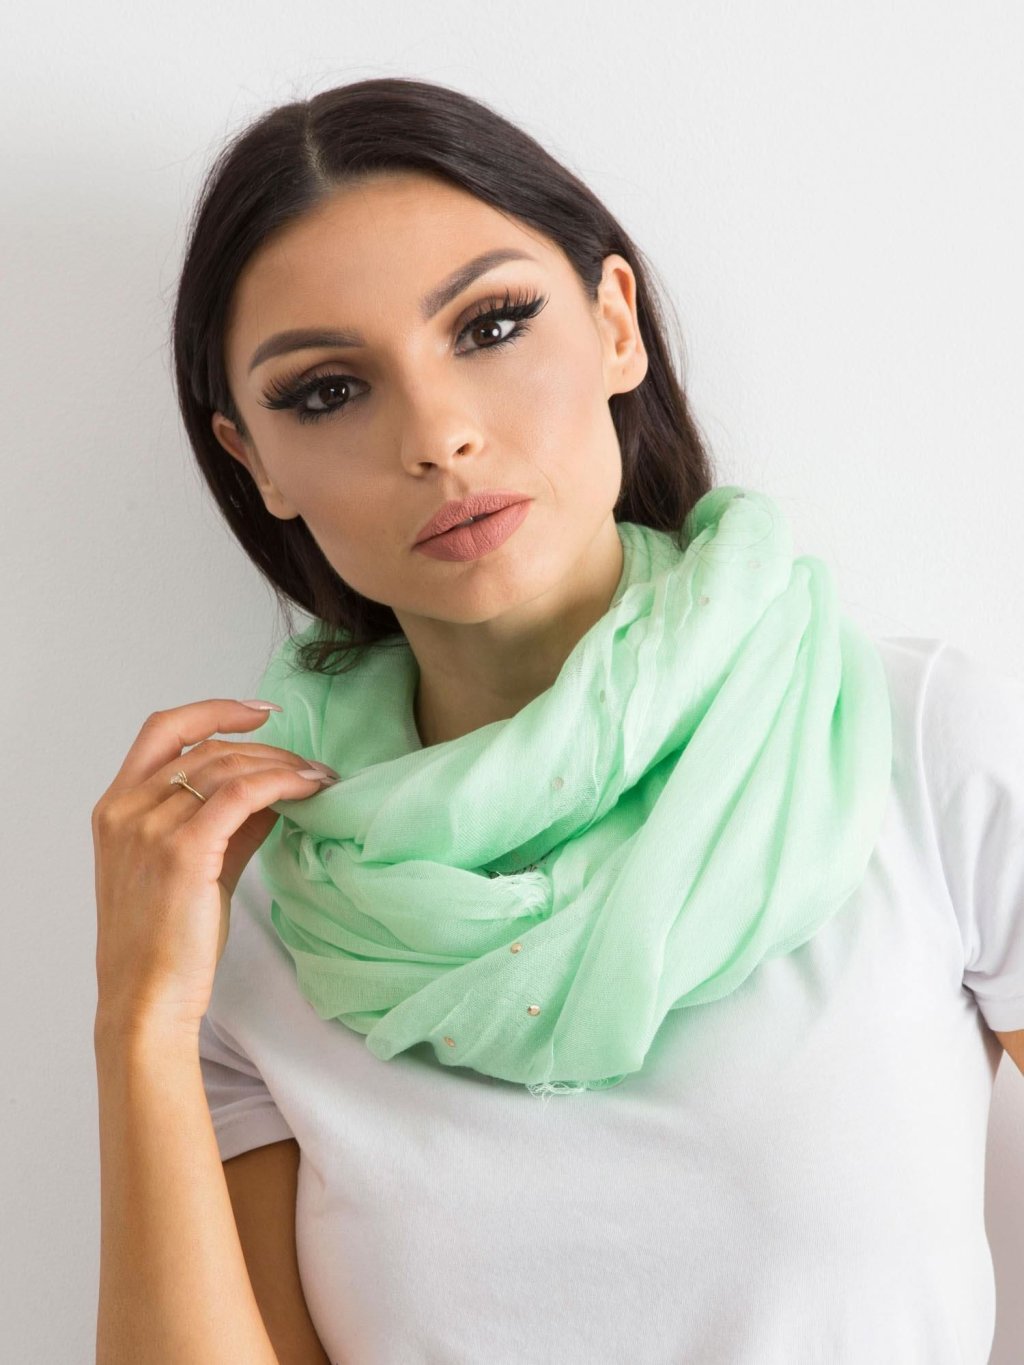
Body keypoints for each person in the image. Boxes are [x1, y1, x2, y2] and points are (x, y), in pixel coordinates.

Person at [92, 76, 1024, 1364]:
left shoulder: (911, 744)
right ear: (256, 462)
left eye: (490, 326)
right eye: (328, 392)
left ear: (615, 324)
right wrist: (139, 1023)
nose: (440, 436)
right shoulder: (256, 895)